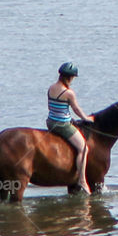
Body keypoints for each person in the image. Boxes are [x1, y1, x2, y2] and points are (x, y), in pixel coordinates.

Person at [46, 62, 95, 194]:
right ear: (69, 77)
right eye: (73, 78)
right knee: (83, 147)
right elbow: (76, 109)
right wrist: (86, 118)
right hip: (62, 125)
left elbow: (53, 108)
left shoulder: (51, 88)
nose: (72, 80)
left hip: (50, 122)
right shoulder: (69, 93)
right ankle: (82, 181)